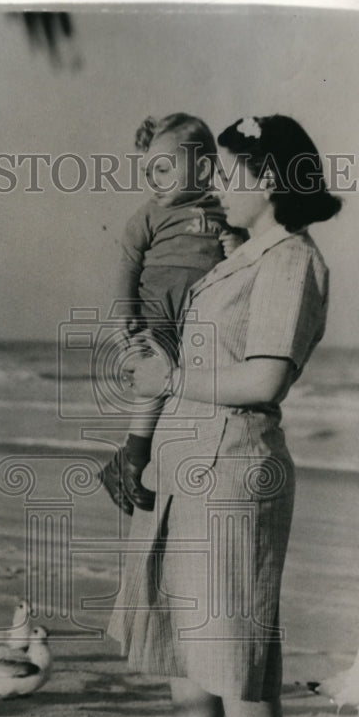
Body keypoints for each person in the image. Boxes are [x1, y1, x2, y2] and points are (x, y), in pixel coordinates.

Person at [108, 114, 341, 717]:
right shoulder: (235, 259)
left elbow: (265, 381)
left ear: (269, 180)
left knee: (239, 654)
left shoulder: (290, 261)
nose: (220, 186)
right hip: (189, 462)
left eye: (234, 173)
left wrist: (170, 378)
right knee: (188, 646)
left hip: (239, 469)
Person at [98, 113, 241, 516]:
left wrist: (236, 245)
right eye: (148, 171)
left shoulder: (222, 213)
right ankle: (131, 458)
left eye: (162, 169)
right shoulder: (148, 216)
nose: (153, 179)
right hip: (154, 318)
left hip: (195, 322)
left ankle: (146, 459)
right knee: (156, 380)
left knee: (189, 387)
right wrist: (125, 313)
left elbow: (237, 263)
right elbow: (128, 263)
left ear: (201, 168)